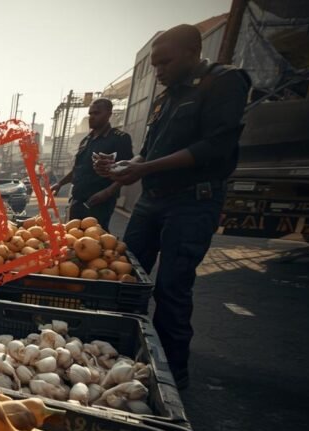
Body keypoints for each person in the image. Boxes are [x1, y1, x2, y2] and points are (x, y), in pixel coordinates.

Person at [98, 24, 250, 390]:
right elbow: (148, 154)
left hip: (191, 201)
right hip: (152, 200)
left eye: (164, 62)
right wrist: (118, 168)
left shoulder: (224, 82)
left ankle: (171, 377)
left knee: (171, 288)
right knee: (126, 276)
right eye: (154, 64)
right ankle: (116, 357)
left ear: (191, 52)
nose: (158, 70)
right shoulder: (165, 99)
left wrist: (143, 168)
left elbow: (215, 147)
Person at [51, 98, 134, 230]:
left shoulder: (119, 139)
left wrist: (107, 193)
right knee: (73, 236)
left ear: (108, 114)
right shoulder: (86, 140)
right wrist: (60, 183)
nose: (92, 117)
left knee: (94, 239)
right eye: (90, 114)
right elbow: (78, 169)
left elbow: (126, 171)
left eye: (96, 113)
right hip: (78, 200)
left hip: (99, 201)